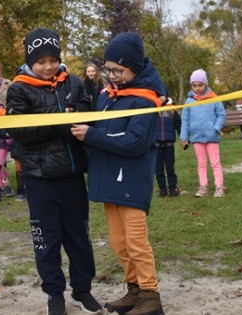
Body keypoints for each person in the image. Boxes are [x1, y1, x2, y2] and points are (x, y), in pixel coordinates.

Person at [6, 28, 102, 315]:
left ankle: (82, 290)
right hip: (40, 178)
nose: (48, 66)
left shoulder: (73, 81)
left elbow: (86, 112)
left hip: (72, 176)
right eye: (41, 61)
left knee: (79, 238)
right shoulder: (18, 88)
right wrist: (60, 121)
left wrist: (77, 115)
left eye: (52, 59)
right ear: (30, 62)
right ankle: (54, 295)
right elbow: (20, 131)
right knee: (46, 240)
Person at [71, 32, 166, 315]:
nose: (111, 75)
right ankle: (133, 289)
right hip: (109, 175)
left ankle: (150, 295)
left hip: (132, 178)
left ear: (134, 66)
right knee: (118, 241)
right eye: (107, 69)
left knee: (136, 241)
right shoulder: (107, 96)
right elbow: (104, 128)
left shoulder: (145, 100)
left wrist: (91, 136)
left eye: (117, 70)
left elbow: (134, 143)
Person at [180, 69, 227, 198]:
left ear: (206, 84)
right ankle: (203, 187)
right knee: (201, 163)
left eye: (200, 85)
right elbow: (185, 120)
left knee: (215, 163)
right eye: (194, 85)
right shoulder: (189, 102)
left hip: (211, 136)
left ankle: (219, 187)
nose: (197, 88)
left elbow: (221, 115)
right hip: (196, 137)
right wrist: (184, 137)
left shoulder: (214, 98)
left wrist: (215, 128)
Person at [155, 98, 181, 197]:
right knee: (158, 170)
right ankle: (162, 190)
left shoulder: (172, 112)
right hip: (156, 146)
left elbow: (179, 126)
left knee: (170, 168)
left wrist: (184, 139)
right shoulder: (152, 111)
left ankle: (172, 189)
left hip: (169, 146)